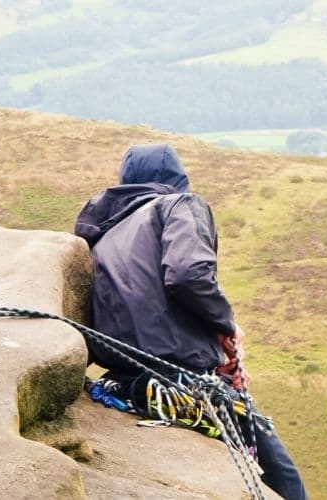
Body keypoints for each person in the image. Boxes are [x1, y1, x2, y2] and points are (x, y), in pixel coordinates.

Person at [75, 144, 307, 500]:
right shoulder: (178, 205)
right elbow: (187, 274)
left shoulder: (103, 236)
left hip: (126, 381)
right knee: (285, 477)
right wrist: (226, 324)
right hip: (178, 378)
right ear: (175, 179)